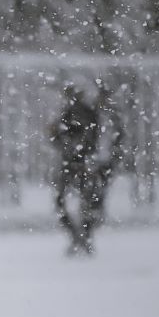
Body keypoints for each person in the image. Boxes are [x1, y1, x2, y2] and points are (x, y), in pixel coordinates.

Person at [49, 84, 116, 256]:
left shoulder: (82, 114)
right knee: (84, 202)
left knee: (78, 202)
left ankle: (81, 237)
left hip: (80, 164)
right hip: (80, 164)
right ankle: (82, 237)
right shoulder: (81, 114)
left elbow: (61, 138)